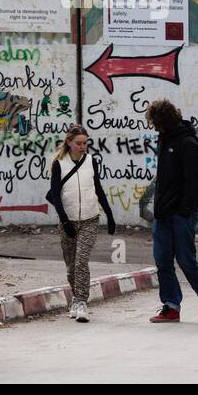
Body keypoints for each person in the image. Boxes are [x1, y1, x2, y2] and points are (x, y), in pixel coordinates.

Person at [146, 99, 198, 324]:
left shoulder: (187, 143)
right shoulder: (165, 140)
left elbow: (194, 181)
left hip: (181, 213)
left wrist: (185, 209)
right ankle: (171, 306)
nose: (154, 127)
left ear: (163, 121)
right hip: (163, 213)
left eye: (155, 122)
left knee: (185, 259)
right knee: (162, 259)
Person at [47, 124, 115, 322]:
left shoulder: (91, 161)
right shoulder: (59, 163)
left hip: (89, 219)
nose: (82, 146)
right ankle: (75, 299)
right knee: (71, 266)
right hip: (68, 221)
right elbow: (56, 196)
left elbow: (99, 189)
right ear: (69, 143)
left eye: (85, 143)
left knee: (81, 261)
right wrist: (64, 220)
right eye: (78, 143)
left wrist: (109, 215)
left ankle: (82, 302)